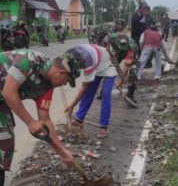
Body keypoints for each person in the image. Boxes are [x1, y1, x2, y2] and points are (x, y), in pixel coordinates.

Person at [0, 49, 78, 185]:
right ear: (62, 73)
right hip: (4, 95)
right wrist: (30, 122)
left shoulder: (47, 87)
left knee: (5, 143)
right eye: (66, 80)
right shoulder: (29, 60)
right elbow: (8, 92)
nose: (64, 84)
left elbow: (45, 120)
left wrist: (62, 150)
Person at [64, 44, 117, 138]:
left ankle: (103, 127)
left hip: (108, 65)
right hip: (97, 64)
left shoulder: (88, 63)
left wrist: (71, 106)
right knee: (89, 92)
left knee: (106, 95)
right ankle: (79, 119)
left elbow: (82, 89)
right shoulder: (68, 54)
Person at [102, 19, 139, 104]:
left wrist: (119, 83)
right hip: (118, 51)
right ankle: (104, 91)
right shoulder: (112, 36)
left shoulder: (131, 47)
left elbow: (125, 68)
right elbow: (104, 41)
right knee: (109, 67)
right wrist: (106, 49)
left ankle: (130, 94)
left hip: (131, 52)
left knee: (133, 73)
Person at [137, 21, 175, 86]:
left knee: (142, 62)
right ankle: (157, 77)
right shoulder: (159, 34)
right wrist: (167, 58)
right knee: (158, 63)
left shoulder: (145, 32)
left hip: (147, 47)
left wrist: (142, 50)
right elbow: (163, 46)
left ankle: (138, 76)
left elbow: (141, 41)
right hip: (157, 48)